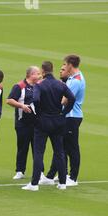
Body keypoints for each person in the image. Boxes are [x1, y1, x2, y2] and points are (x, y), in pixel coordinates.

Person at [22, 61, 75, 191]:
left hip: (43, 122)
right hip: (58, 120)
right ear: (52, 69)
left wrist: (39, 113)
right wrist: (64, 112)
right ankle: (62, 183)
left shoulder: (39, 85)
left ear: (43, 71)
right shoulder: (60, 84)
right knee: (59, 152)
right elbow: (72, 98)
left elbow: (35, 100)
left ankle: (34, 184)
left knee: (39, 152)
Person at [43, 55, 85, 187]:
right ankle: (56, 175)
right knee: (61, 147)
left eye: (65, 65)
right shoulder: (73, 78)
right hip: (68, 116)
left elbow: (64, 100)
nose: (63, 67)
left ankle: (73, 177)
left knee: (71, 147)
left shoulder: (76, 81)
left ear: (70, 65)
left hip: (72, 116)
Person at [6, 66, 41, 179]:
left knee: (37, 148)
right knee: (22, 147)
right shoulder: (19, 86)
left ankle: (39, 172)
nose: (39, 75)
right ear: (30, 75)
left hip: (37, 123)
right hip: (22, 123)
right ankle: (20, 170)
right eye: (37, 73)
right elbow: (9, 100)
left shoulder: (39, 86)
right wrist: (21, 106)